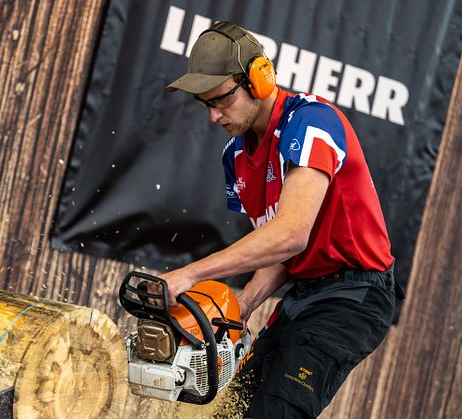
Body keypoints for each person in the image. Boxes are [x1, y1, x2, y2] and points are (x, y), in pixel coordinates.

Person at [161, 21, 399, 418]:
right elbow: (275, 248)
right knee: (228, 410)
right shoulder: (235, 157)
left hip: (355, 294)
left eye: (220, 100)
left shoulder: (312, 122)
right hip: (304, 293)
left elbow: (290, 235)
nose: (213, 116)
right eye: (206, 104)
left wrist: (191, 274)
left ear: (258, 78)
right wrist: (244, 303)